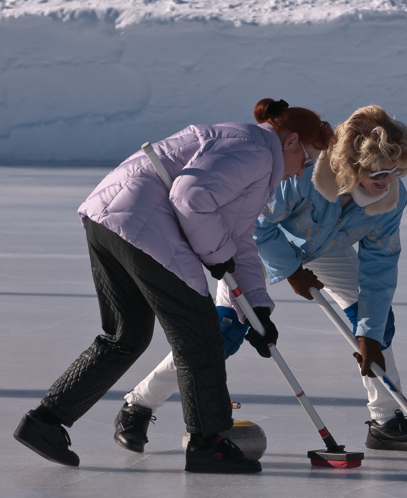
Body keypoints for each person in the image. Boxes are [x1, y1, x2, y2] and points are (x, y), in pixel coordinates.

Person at [13, 98, 334, 473]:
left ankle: (45, 422)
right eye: (308, 159)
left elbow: (240, 238)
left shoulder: (254, 153)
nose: (302, 171)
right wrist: (215, 255)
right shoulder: (255, 150)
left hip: (110, 219)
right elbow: (190, 196)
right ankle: (207, 444)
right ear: (292, 140)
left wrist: (257, 309)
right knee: (200, 337)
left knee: (124, 337)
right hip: (144, 225)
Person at [112, 105, 407, 453]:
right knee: (226, 331)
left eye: (397, 171)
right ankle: (138, 405)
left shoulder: (391, 201)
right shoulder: (303, 176)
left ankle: (385, 420)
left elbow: (380, 266)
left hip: (327, 248)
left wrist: (368, 334)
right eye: (379, 173)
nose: (388, 182)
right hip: (255, 245)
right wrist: (291, 270)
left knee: (377, 327)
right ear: (352, 167)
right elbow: (259, 225)